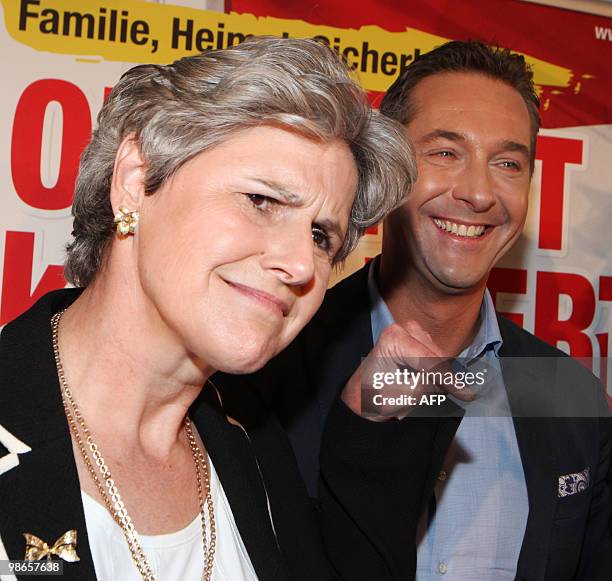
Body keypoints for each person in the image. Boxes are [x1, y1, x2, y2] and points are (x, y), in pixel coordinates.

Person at [0, 36, 452, 581]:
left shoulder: (251, 448)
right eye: (261, 201)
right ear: (135, 181)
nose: (301, 265)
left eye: (320, 235)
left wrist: (371, 426)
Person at [235, 41, 612, 580]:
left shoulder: (569, 396)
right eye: (445, 153)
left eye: (507, 163)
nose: (479, 193)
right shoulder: (270, 364)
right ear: (386, 168)